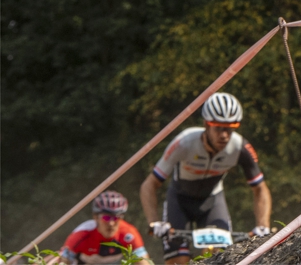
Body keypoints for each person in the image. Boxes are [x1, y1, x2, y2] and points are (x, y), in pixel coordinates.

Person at [140, 93, 271, 264]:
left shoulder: (239, 147)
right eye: (218, 128)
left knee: (217, 257)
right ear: (206, 125)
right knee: (179, 260)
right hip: (179, 201)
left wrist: (263, 225)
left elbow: (260, 189)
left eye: (230, 128)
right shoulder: (184, 142)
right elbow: (149, 185)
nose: (224, 135)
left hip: (212, 202)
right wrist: (154, 222)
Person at [59, 191, 153, 265]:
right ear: (96, 217)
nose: (111, 223)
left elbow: (144, 262)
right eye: (106, 217)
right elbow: (63, 261)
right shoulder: (82, 234)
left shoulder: (129, 234)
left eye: (116, 218)